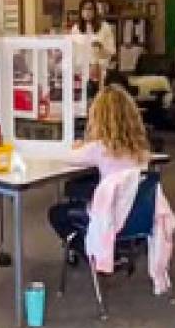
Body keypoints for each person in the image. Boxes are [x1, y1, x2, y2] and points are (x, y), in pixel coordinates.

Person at [47, 86, 152, 244]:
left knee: (57, 213)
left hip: (109, 218)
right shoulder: (141, 150)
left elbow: (66, 157)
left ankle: (89, 250)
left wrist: (78, 147)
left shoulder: (99, 148)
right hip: (137, 217)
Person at [69, 0, 118, 86]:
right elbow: (73, 51)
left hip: (100, 72)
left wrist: (101, 48)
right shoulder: (76, 28)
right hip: (80, 71)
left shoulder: (105, 27)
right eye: (84, 9)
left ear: (95, 11)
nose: (87, 12)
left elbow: (111, 52)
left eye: (90, 9)